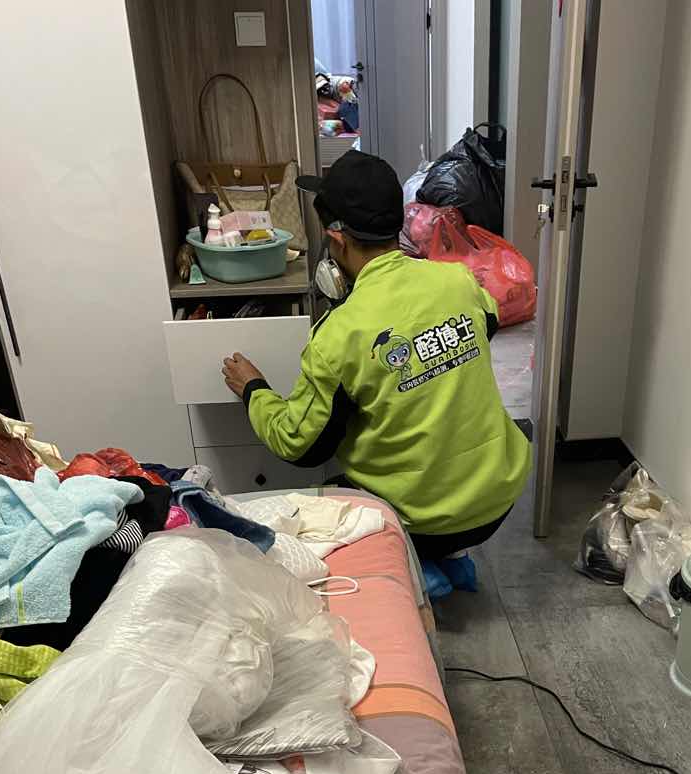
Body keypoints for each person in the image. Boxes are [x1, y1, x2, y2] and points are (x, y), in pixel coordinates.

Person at [222, 150, 530, 599]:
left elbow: (299, 444)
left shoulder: (340, 333)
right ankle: (451, 560)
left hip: (426, 518)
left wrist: (253, 388)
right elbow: (488, 324)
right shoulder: (457, 282)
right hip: (499, 493)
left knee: (332, 494)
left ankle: (417, 565)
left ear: (336, 238)